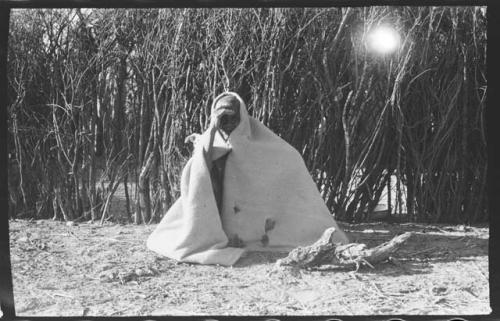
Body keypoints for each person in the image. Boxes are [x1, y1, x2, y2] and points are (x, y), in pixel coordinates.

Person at [147, 92, 349, 266]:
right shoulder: (210, 147)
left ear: (242, 118)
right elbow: (200, 181)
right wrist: (203, 146)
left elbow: (287, 172)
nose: (227, 124)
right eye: (222, 119)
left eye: (232, 118)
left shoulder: (271, 149)